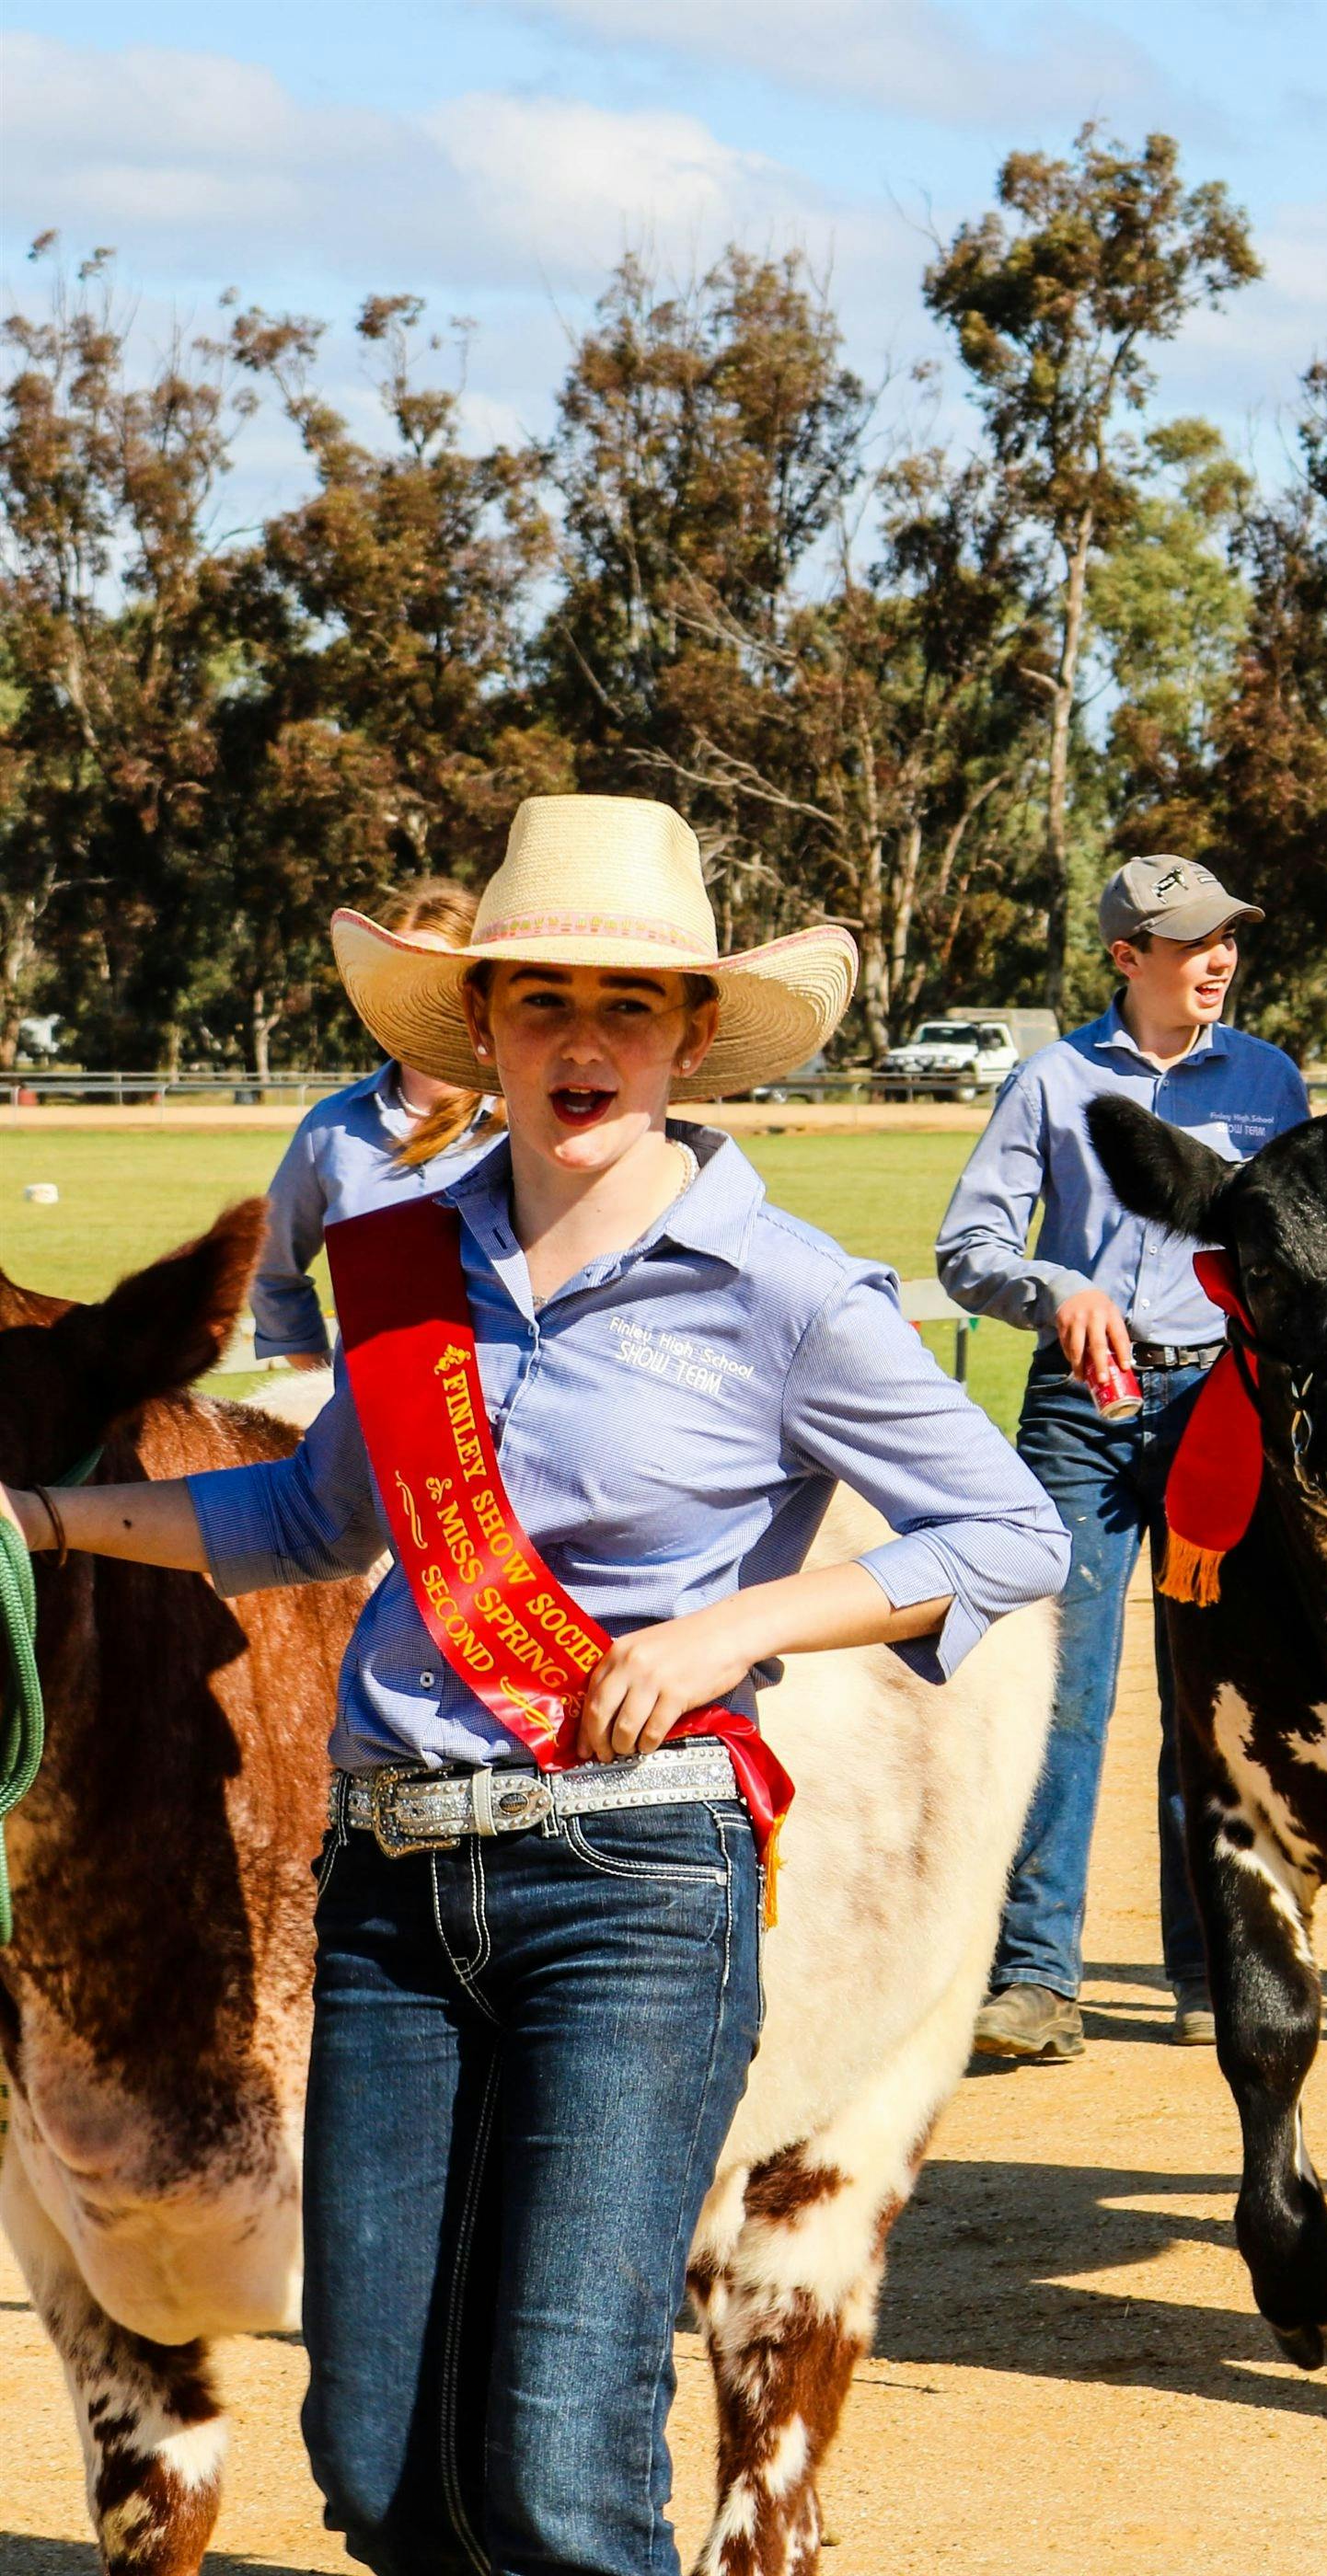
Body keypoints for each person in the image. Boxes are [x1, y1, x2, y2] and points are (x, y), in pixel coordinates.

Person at [2, 793, 1066, 2575]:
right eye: (540, 1000)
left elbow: (1005, 1532)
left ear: (693, 1037)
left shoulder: (788, 1291)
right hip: (393, 1880)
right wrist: (38, 1511)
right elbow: (311, 1512)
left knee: (562, 2457)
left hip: (635, 1884)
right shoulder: (399, 1266)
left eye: (630, 1004)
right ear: (480, 1028)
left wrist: (735, 1629)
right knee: (378, 2449)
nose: (583, 1039)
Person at [937, 855, 1310, 2060]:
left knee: (1212, 1694)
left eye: (1229, 937)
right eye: (1195, 939)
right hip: (1077, 1413)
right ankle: (1037, 1979)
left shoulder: (1271, 1082)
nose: (1219, 957)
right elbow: (969, 1246)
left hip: (1223, 1409)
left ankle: (1212, 1967)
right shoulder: (1049, 1080)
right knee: (1065, 1691)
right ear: (1124, 958)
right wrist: (1057, 1288)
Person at [249, 876, 500, 1365]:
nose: (417, 996)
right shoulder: (330, 1129)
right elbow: (271, 1270)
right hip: (369, 1430)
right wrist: (325, 1390)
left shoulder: (530, 1127)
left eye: (439, 977)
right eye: (400, 976)